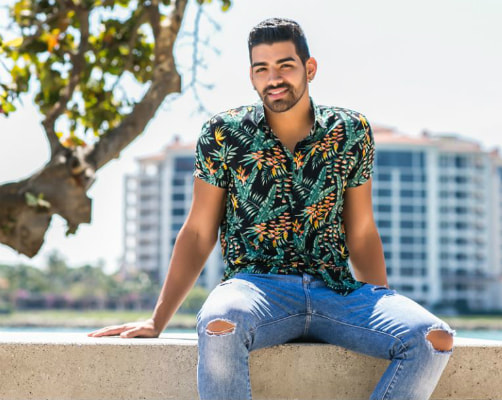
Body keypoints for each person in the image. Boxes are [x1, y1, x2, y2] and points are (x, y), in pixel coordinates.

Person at [89, 17, 455, 400]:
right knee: (219, 324)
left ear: (309, 69)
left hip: (336, 290)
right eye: (262, 68)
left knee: (434, 338)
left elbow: (361, 231)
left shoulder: (351, 132)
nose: (274, 78)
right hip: (255, 289)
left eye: (285, 65)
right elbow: (198, 232)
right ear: (251, 76)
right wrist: (156, 320)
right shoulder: (223, 134)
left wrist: (381, 308)